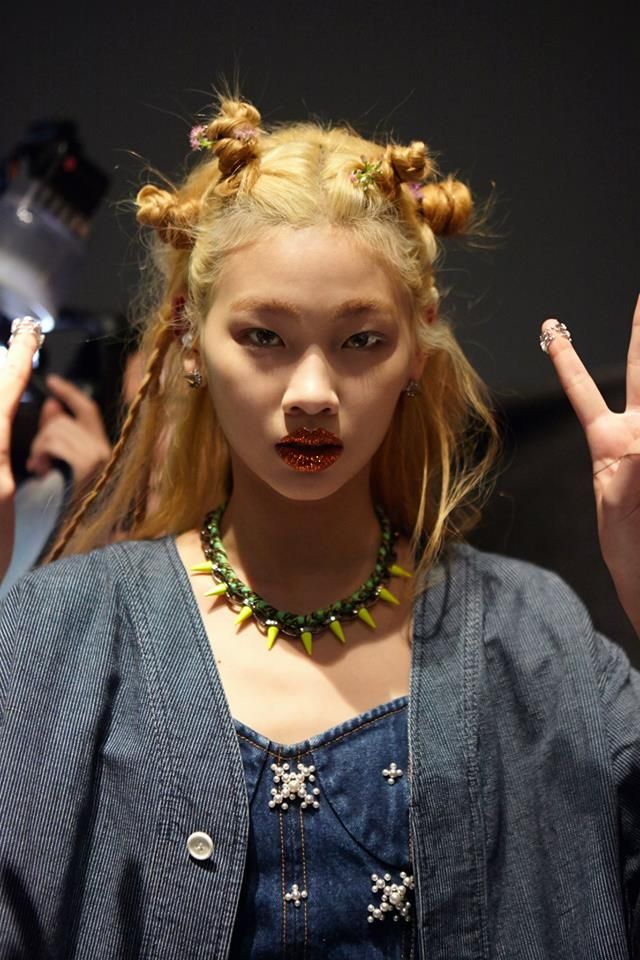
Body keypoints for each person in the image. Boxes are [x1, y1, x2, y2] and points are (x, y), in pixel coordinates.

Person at [0, 96, 639, 959]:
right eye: (263, 336)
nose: (312, 394)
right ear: (189, 341)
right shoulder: (61, 635)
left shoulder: (537, 643)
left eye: (360, 341)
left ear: (417, 347)